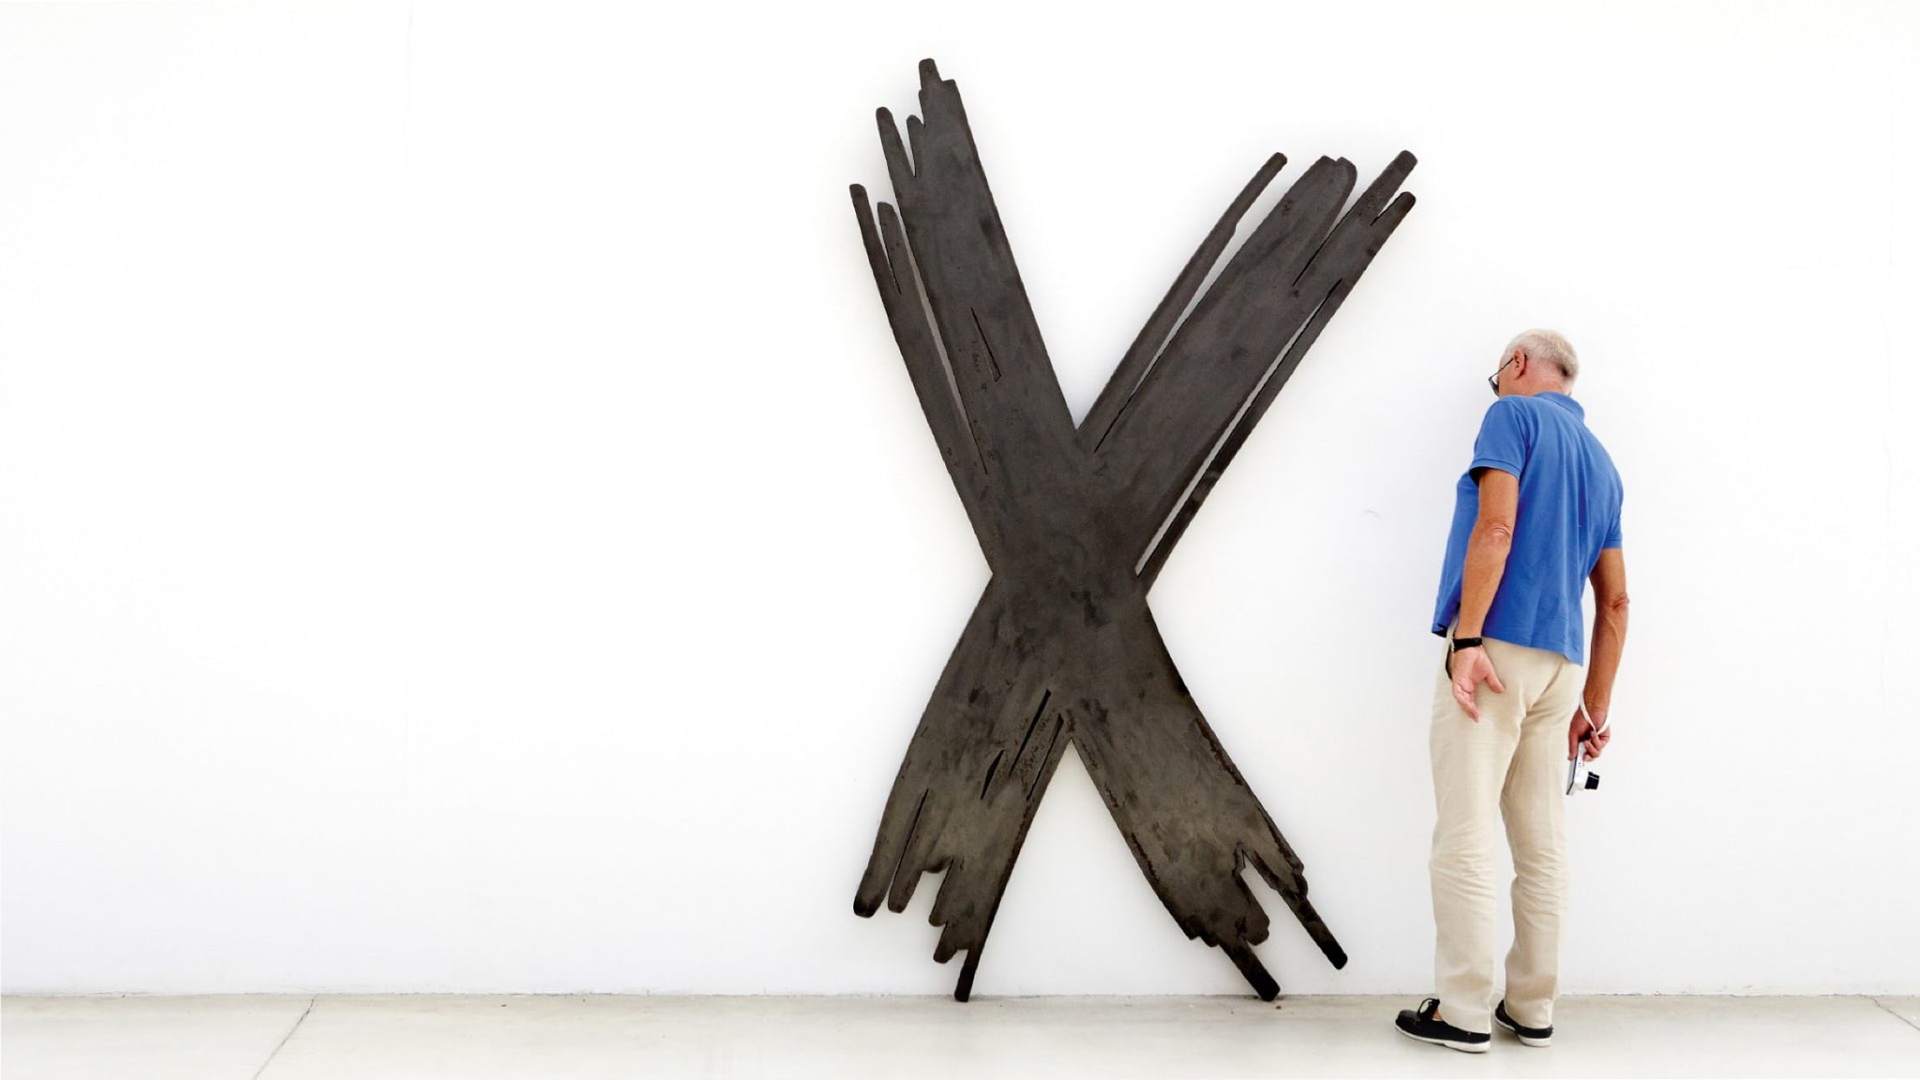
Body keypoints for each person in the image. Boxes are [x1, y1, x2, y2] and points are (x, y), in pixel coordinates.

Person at [1394, 329, 1630, 1053]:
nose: (1496, 385)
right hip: (1561, 667)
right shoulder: (1603, 463)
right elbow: (1616, 602)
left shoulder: (1511, 416)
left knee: (1464, 832)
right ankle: (1532, 1005)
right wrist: (1595, 707)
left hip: (1494, 651)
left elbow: (1496, 528)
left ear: (1519, 364)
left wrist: (1467, 640)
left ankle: (1462, 1011)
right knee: (1541, 843)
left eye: (1498, 372)